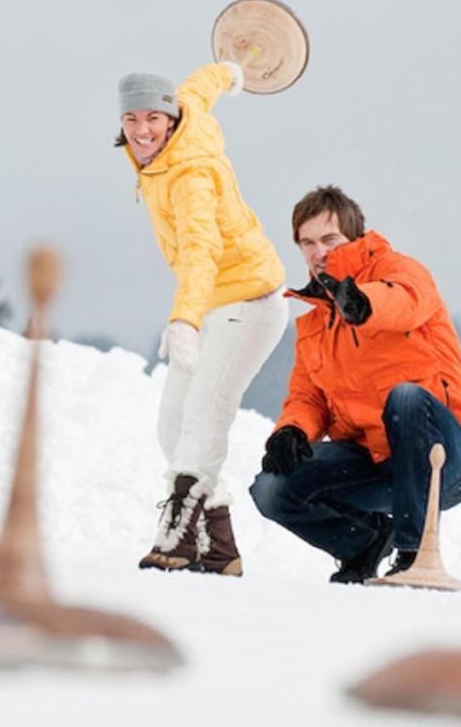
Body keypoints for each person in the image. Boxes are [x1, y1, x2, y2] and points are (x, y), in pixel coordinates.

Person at [249, 185, 461, 583]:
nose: (318, 251)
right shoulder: (314, 324)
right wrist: (291, 431)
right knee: (272, 488)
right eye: (307, 243)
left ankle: (413, 556)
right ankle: (366, 542)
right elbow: (308, 397)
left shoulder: (401, 272)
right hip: (377, 464)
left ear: (355, 237)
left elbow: (404, 299)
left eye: (329, 239)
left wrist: (363, 303)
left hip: (447, 461)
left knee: (408, 398)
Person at [116, 62, 289, 577]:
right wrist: (234, 69)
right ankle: (220, 547)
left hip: (250, 303)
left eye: (153, 118)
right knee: (173, 424)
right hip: (213, 303)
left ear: (170, 121)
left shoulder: (190, 173)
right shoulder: (180, 117)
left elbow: (200, 250)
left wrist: (184, 320)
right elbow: (202, 86)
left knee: (204, 416)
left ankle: (179, 537)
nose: (143, 130)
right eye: (131, 119)